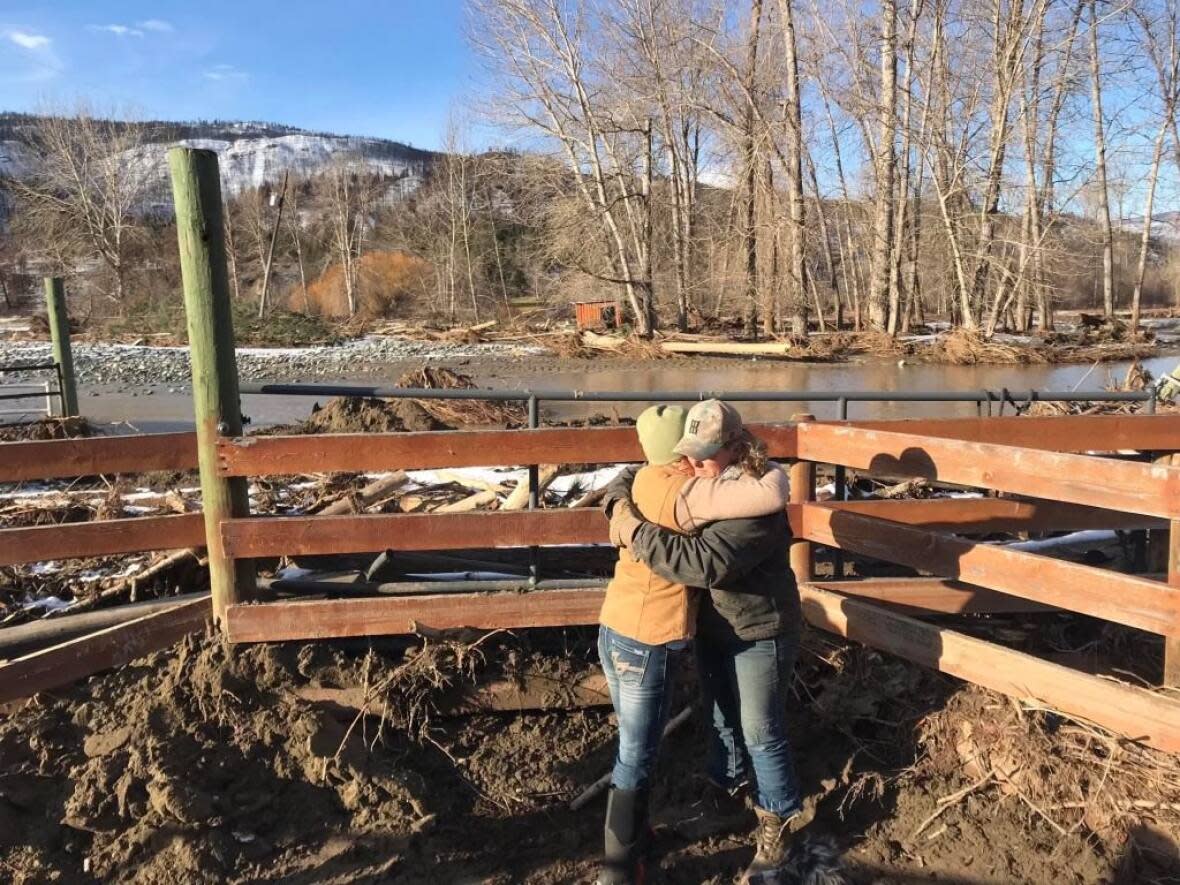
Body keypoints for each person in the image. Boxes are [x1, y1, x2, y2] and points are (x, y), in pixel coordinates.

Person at [605, 399, 804, 885]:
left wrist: (629, 527)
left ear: (738, 448)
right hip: (715, 624)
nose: (695, 463)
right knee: (720, 715)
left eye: (707, 453)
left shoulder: (754, 505)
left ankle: (777, 827)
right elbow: (641, 474)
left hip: (760, 629)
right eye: (690, 452)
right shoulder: (705, 485)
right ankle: (726, 792)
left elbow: (697, 563)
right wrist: (617, 495)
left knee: (761, 728)